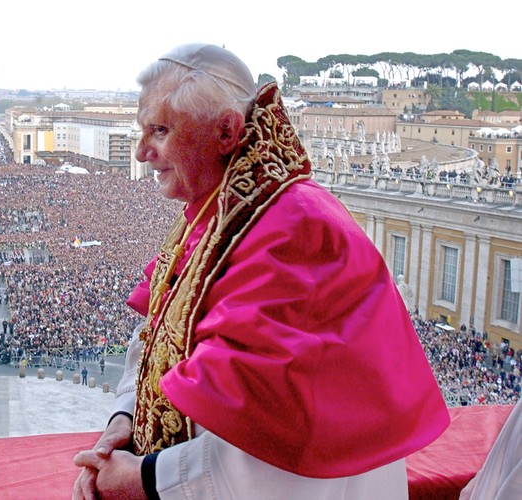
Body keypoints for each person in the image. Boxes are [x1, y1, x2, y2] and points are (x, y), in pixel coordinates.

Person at [73, 43, 450, 499]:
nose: (140, 153)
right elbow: (158, 336)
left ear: (227, 132)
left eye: (159, 131)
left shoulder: (295, 234)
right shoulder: (218, 211)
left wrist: (143, 480)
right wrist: (124, 419)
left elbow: (273, 441)